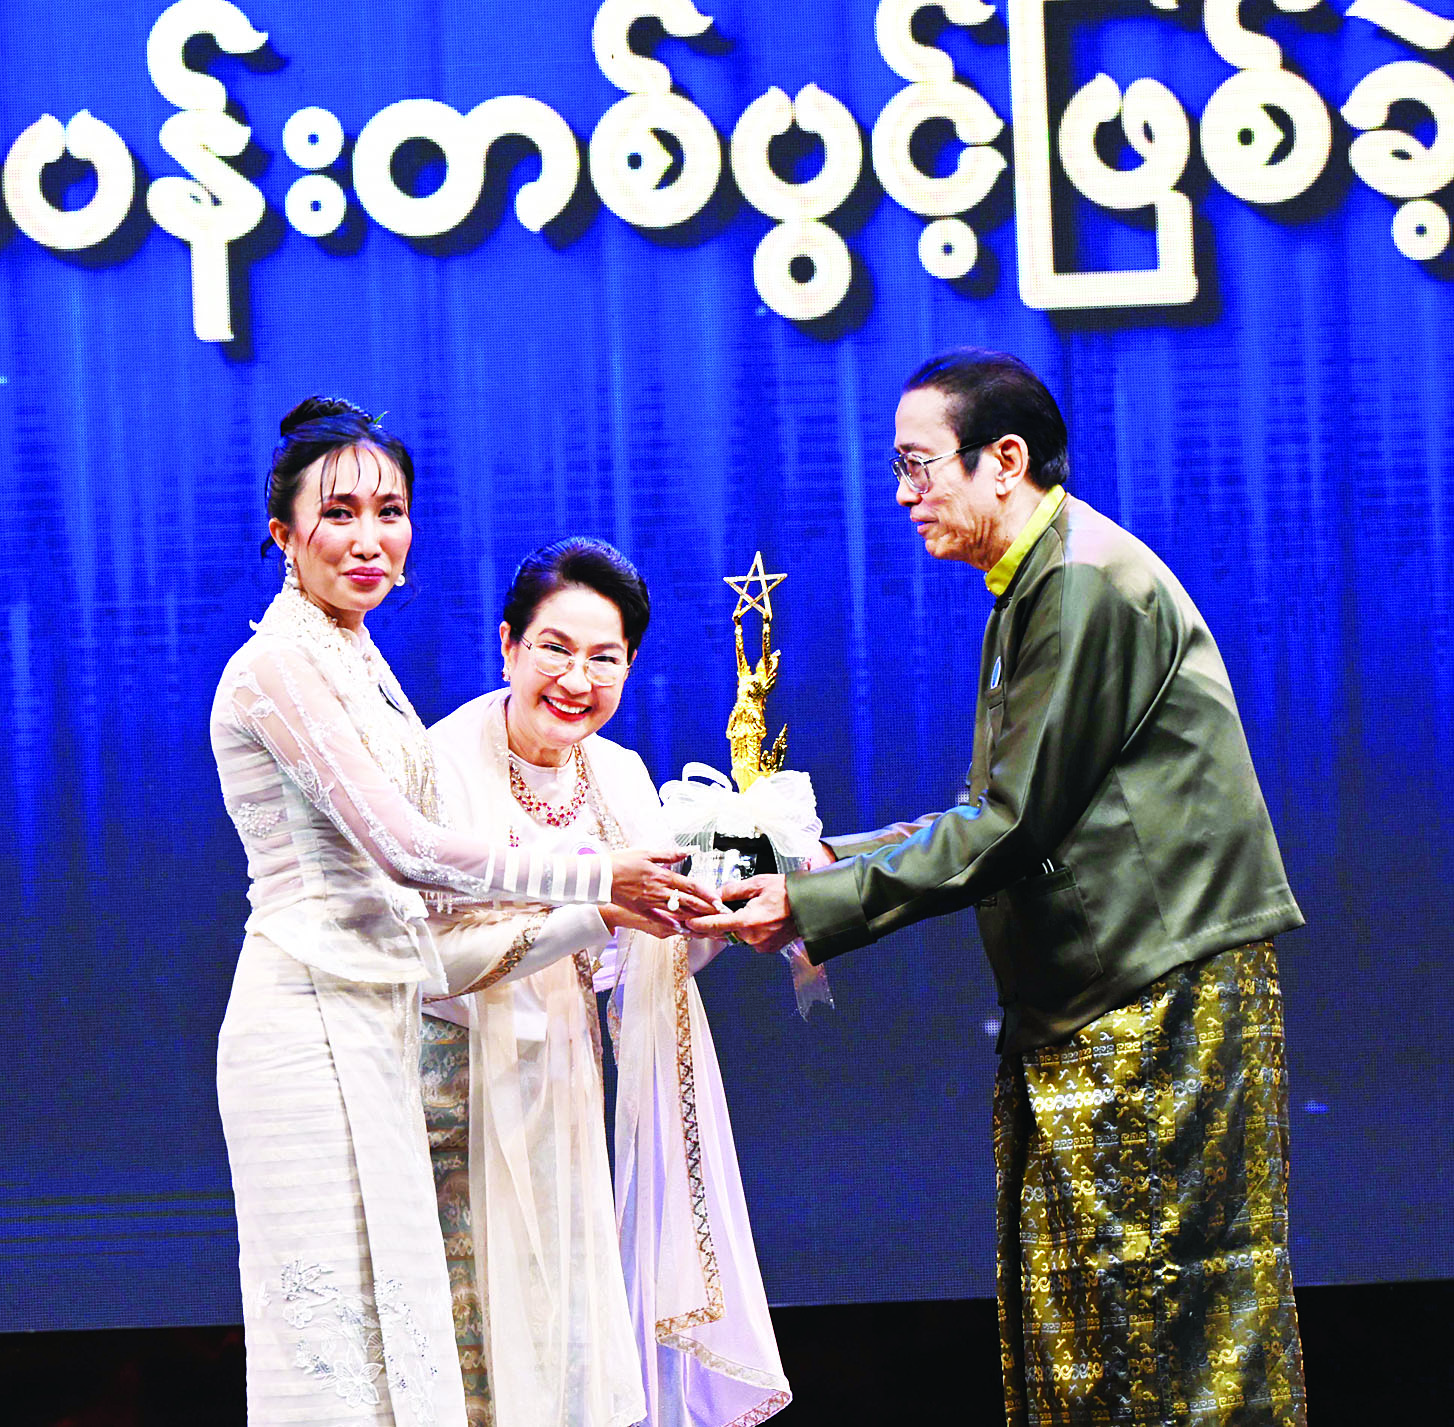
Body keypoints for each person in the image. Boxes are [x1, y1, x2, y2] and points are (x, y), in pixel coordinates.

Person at [694, 351, 1308, 1426]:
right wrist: (817, 860)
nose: (903, 493)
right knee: (1090, 1318)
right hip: (1102, 996)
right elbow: (1000, 809)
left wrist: (814, 902)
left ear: (1004, 460)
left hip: (1153, 997)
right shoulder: (1040, 580)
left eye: (917, 464)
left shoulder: (1079, 583)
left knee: (1155, 1320)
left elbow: (1013, 824)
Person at [211, 400, 708, 1427]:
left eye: (388, 511)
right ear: (283, 532)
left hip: (371, 1012)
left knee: (399, 1351)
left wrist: (682, 884)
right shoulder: (277, 665)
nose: (368, 537)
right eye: (338, 512)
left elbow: (435, 883)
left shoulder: (353, 654)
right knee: (335, 1348)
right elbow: (407, 851)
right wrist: (597, 877)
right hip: (304, 1014)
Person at [419, 537, 790, 1427]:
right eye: (554, 648)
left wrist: (715, 914)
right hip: (447, 1100)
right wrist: (599, 909)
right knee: (472, 1355)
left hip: (567, 1093)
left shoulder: (618, 773)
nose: (576, 679)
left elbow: (642, 957)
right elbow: (429, 955)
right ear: (508, 644)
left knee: (569, 1347)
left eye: (605, 658)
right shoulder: (441, 764)